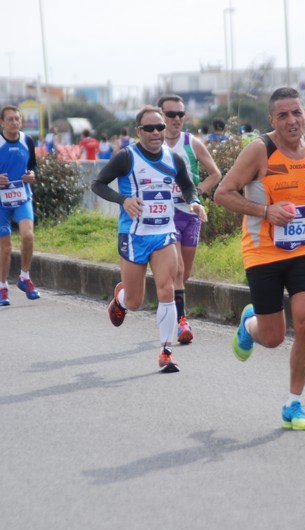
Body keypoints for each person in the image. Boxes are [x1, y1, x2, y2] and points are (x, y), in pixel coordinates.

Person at [215, 87, 305, 430]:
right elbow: (222, 193)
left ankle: (293, 404)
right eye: (283, 115)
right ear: (271, 120)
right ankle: (250, 324)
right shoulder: (259, 151)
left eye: (297, 112)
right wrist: (266, 211)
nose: (292, 120)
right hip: (262, 252)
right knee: (274, 337)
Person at [91, 105, 207, 373]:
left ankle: (165, 352)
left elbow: (188, 185)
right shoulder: (125, 157)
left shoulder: (172, 158)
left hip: (163, 234)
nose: (156, 133)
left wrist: (194, 202)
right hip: (134, 236)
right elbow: (97, 184)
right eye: (150, 128)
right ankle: (120, 297)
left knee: (166, 289)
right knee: (135, 301)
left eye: (160, 127)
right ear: (138, 131)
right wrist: (124, 200)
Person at [157, 94, 221, 344]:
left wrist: (196, 193)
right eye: (170, 114)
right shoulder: (153, 144)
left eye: (180, 114)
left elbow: (215, 173)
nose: (176, 119)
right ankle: (182, 321)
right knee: (177, 269)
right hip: (165, 216)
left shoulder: (191, 143)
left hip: (190, 214)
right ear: (161, 116)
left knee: (184, 273)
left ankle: (172, 304)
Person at [0, 105, 40, 306]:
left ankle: (25, 277)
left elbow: (32, 165)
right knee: (5, 248)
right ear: (2, 122)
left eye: (17, 119)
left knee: (28, 235)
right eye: (10, 119)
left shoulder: (27, 140)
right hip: (1, 202)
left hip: (22, 196)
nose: (14, 122)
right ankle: (2, 287)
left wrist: (31, 175)